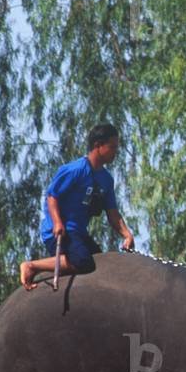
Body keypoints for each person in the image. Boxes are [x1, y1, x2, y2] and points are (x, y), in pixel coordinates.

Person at [20, 123, 135, 290]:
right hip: (60, 232)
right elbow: (52, 197)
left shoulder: (106, 180)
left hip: (79, 234)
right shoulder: (74, 170)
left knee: (101, 262)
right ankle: (32, 266)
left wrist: (127, 235)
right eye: (112, 147)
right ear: (98, 146)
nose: (115, 152)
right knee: (83, 262)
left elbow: (112, 213)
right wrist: (58, 223)